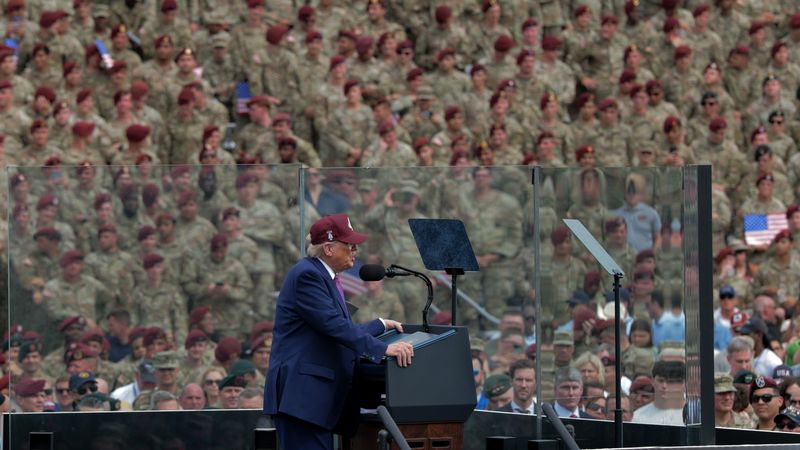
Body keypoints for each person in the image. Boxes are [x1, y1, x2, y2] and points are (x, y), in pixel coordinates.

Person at [264, 214, 412, 450]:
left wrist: (380, 324)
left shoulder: (324, 276)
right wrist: (383, 348)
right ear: (329, 249)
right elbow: (333, 326)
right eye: (350, 245)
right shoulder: (308, 275)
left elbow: (332, 328)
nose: (355, 251)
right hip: (302, 399)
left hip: (312, 403)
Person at [632, 360, 685, 425]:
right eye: (660, 380)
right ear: (652, 381)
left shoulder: (694, 416)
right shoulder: (638, 417)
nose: (664, 386)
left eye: (671, 381)